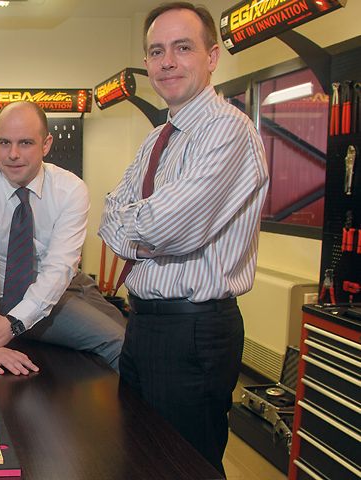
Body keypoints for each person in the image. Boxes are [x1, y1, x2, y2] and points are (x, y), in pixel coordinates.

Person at [98, 3, 269, 475]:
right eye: (157, 51)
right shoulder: (158, 138)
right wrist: (143, 227)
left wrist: (140, 226)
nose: (167, 61)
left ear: (212, 57)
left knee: (184, 465)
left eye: (182, 48)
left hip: (192, 332)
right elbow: (109, 216)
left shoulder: (227, 131)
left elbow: (169, 228)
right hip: (143, 323)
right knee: (141, 455)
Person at [0, 101, 125, 376]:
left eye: (25, 143)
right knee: (118, 343)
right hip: (10, 293)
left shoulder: (70, 189)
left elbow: (59, 267)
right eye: (4, 142)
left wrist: (13, 325)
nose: (13, 154)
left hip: (68, 283)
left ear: (46, 145)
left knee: (127, 329)